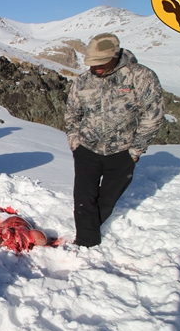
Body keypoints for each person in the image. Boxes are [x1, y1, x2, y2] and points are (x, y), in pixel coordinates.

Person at [65, 33, 164, 247]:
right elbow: (72, 113)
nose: (96, 68)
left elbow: (153, 114)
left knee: (107, 201)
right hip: (87, 149)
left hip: (122, 151)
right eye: (92, 63)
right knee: (83, 199)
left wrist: (136, 149)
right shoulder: (82, 81)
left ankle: (89, 233)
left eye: (100, 63)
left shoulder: (140, 76)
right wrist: (75, 142)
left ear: (115, 56)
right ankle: (85, 243)